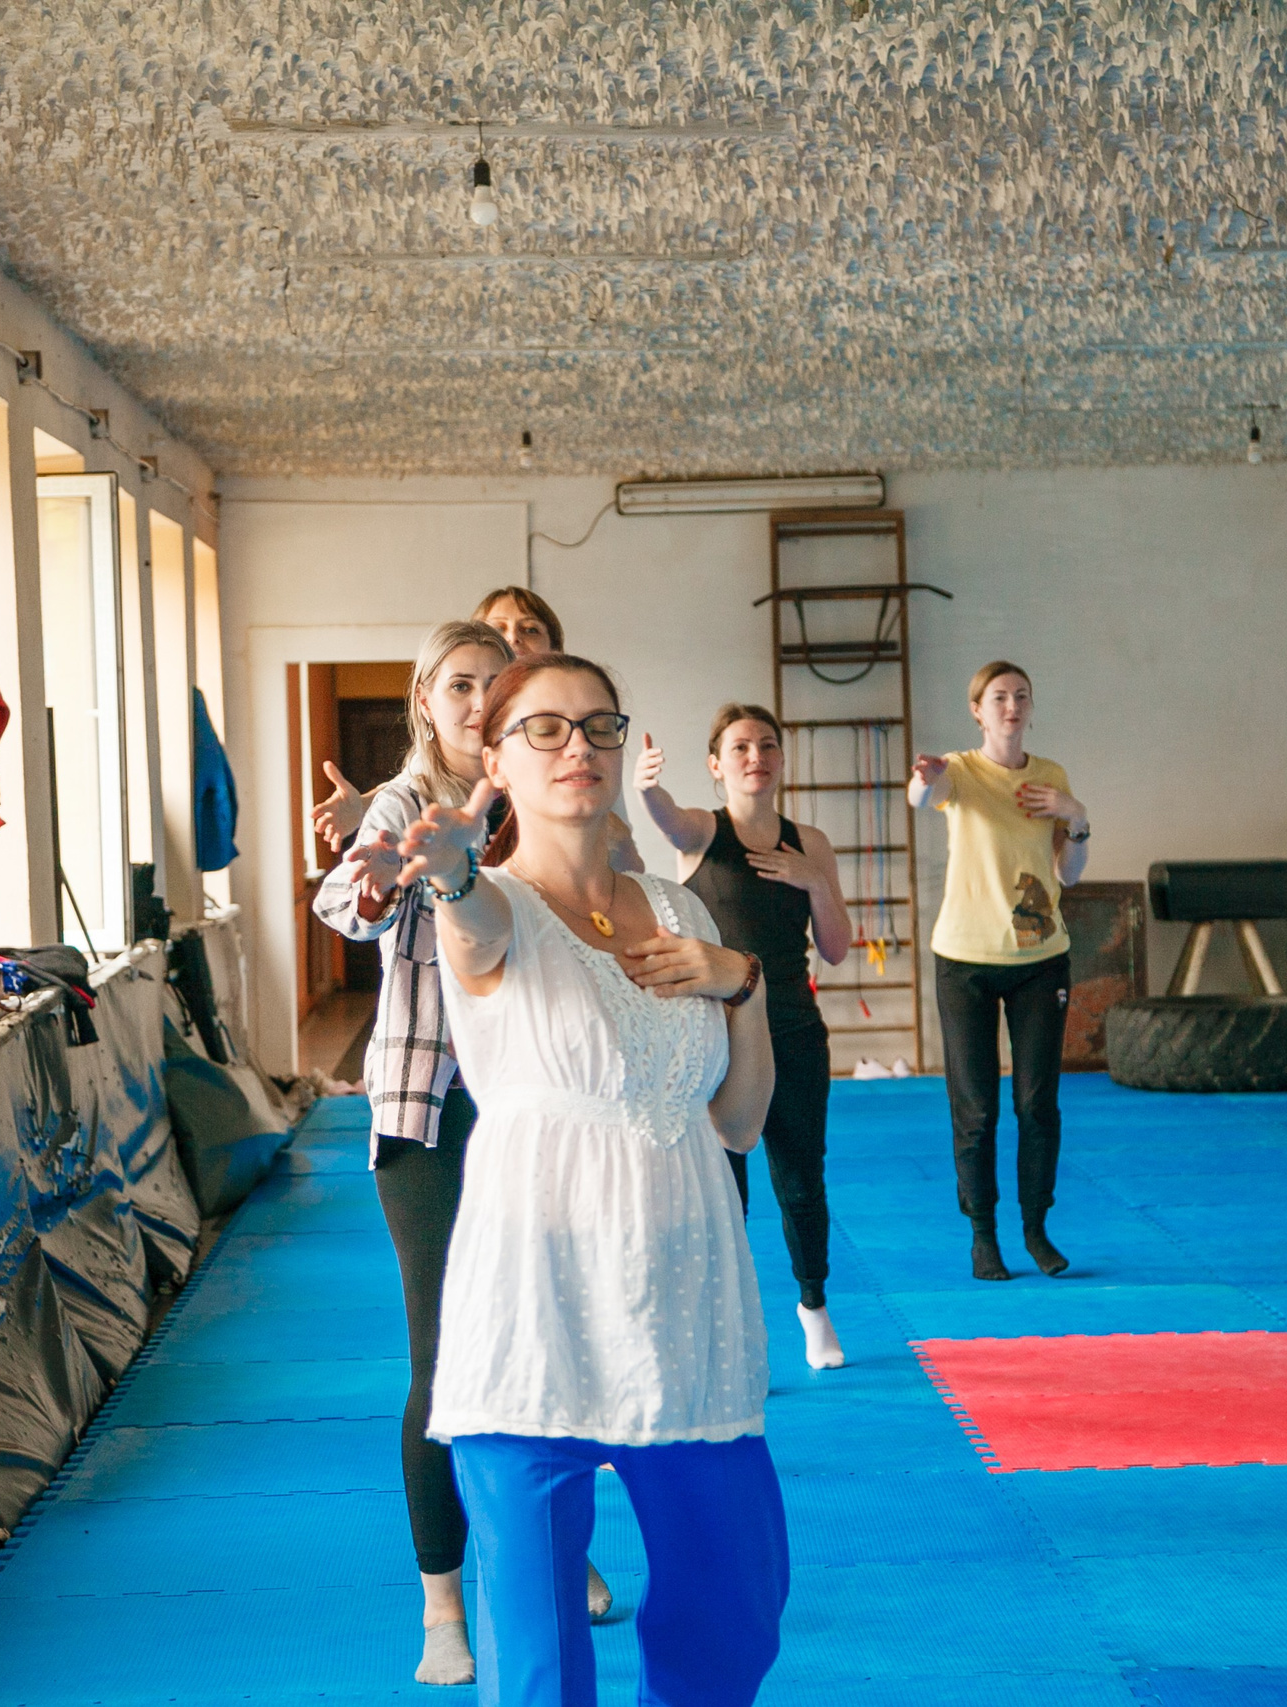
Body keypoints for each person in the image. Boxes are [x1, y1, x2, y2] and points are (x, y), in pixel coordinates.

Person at [393, 651, 788, 1707]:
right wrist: (454, 873)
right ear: (496, 760)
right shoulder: (493, 904)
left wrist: (742, 985)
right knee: (538, 1661)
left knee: (736, 1612)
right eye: (545, 728)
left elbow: (739, 1120)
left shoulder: (682, 911)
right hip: (534, 1305)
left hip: (684, 1300)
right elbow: (473, 926)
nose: (578, 747)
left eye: (599, 725)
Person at [308, 621, 609, 1683]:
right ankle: (443, 1600)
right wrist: (381, 877)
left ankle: (547, 1550)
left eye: (495, 685)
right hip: (431, 1113)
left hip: (537, 1101)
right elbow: (346, 903)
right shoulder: (403, 804)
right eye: (460, 685)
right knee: (443, 1359)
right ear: (425, 702)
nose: (479, 702)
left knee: (551, 1339)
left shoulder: (534, 794)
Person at [636, 703, 855, 1370]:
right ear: (717, 764)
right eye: (740, 747)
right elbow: (669, 819)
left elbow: (837, 948)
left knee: (801, 1176)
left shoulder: (810, 842)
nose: (755, 756)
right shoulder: (703, 831)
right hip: (716, 1030)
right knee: (722, 1184)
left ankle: (814, 1304)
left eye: (767, 745)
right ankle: (725, 1318)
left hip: (792, 1024)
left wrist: (815, 882)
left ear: (781, 758)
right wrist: (646, 787)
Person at [909, 661, 1090, 1283]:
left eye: (1021, 696)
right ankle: (983, 1235)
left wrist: (1076, 815)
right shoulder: (959, 771)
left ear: (1031, 709)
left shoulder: (1052, 777)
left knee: (1037, 1103)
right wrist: (924, 779)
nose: (1011, 706)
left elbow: (1068, 874)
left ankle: (1036, 1228)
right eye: (999, 697)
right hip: (965, 960)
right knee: (977, 1107)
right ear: (978, 711)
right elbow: (923, 797)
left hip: (1040, 958)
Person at [471, 585, 643, 875]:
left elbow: (628, 864)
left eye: (530, 630)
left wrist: (615, 837)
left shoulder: (588, 743)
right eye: (498, 628)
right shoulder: (459, 734)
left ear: (555, 651)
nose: (513, 638)